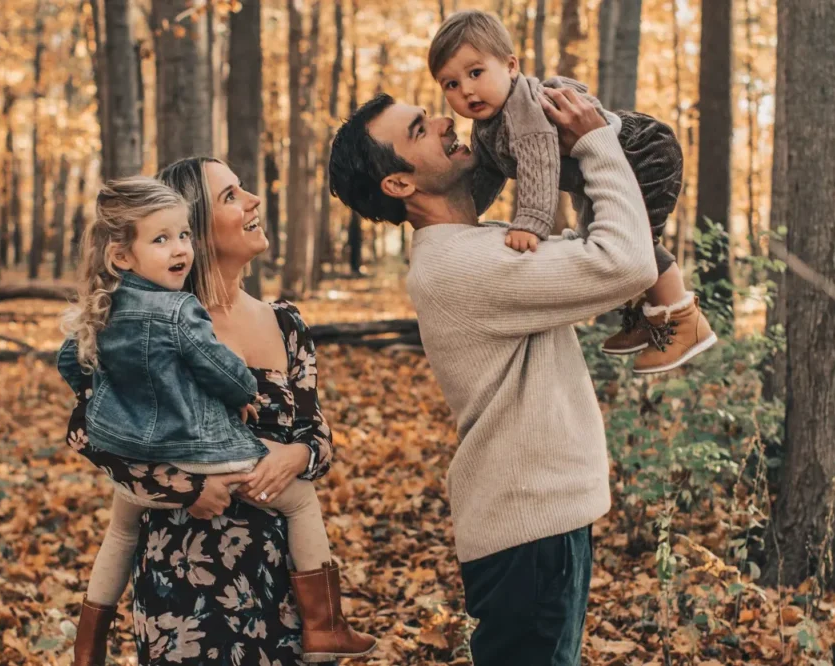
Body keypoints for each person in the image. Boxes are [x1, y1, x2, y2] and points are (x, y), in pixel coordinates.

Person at [328, 89, 653, 665]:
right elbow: (624, 263)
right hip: (526, 528)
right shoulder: (460, 264)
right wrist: (598, 143)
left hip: (538, 520)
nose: (442, 119)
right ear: (399, 184)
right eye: (419, 130)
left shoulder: (478, 243)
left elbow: (589, 262)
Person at [57, 176, 376, 665]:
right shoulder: (163, 317)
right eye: (230, 195)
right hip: (184, 594)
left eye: (245, 187)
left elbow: (319, 435)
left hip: (281, 586)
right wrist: (183, 486)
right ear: (203, 225)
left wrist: (296, 455)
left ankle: (323, 624)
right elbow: (88, 430)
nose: (253, 200)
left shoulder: (286, 322)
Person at [429, 9, 715, 373]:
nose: (466, 90)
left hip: (641, 153)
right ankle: (652, 319)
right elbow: (487, 174)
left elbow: (538, 165)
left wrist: (530, 222)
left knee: (636, 240)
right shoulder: (486, 126)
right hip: (602, 171)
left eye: (475, 73)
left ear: (511, 66)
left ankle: (684, 321)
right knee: (602, 236)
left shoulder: (524, 109)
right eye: (450, 84)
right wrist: (463, 216)